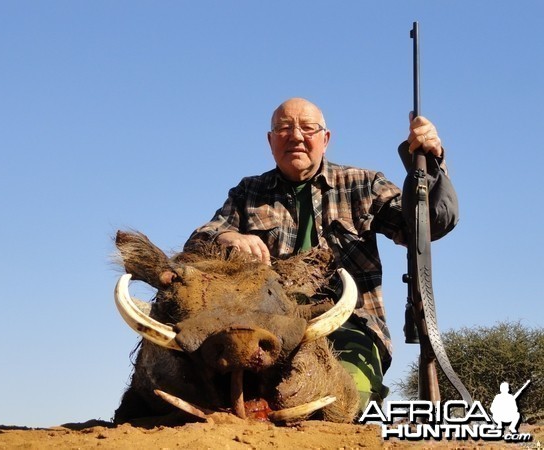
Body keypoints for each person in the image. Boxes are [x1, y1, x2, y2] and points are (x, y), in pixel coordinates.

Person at [183, 97, 458, 413]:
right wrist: (227, 236)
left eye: (308, 128)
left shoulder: (364, 184)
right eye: (284, 128)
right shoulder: (248, 192)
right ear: (270, 141)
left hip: (346, 328)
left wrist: (431, 164)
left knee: (338, 403)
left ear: (325, 139)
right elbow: (197, 244)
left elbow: (426, 227)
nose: (296, 136)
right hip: (266, 330)